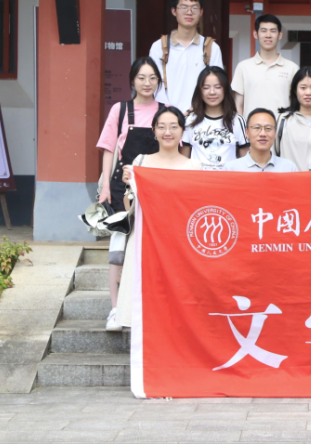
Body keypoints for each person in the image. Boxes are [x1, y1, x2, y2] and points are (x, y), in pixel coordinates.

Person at [112, 106, 202, 331]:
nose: (167, 132)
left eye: (174, 127)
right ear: (154, 131)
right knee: (143, 295)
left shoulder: (194, 166)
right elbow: (130, 207)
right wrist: (128, 185)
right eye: (161, 127)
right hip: (145, 237)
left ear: (182, 131)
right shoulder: (141, 162)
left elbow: (197, 208)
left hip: (179, 242)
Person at [95, 57, 164, 327]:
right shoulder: (120, 110)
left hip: (155, 188)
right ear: (132, 81)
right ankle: (115, 309)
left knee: (151, 248)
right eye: (141, 78)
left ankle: (148, 307)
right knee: (118, 247)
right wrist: (104, 188)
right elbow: (108, 148)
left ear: (159, 81)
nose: (147, 83)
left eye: (153, 78)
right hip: (120, 187)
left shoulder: (166, 112)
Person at [149, 0, 224, 113]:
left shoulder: (211, 48)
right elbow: (154, 83)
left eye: (194, 8)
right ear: (174, 11)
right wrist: (168, 112)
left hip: (200, 115)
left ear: (201, 12)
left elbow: (217, 84)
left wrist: (197, 110)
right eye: (184, 7)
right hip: (167, 116)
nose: (189, 12)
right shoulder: (159, 47)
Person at [231, 14, 299, 120]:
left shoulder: (292, 68)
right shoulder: (243, 67)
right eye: (263, 31)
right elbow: (238, 104)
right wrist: (241, 127)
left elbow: (297, 104)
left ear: (280, 35)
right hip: (252, 128)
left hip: (283, 128)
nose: (268, 35)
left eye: (273, 31)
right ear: (255, 34)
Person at [182, 66, 249, 170]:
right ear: (199, 91)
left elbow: (244, 162)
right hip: (197, 179)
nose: (212, 92)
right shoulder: (190, 120)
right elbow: (183, 160)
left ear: (225, 89)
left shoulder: (238, 120)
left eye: (218, 87)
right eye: (206, 87)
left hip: (228, 179)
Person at [226, 109, 300, 172]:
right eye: (257, 128)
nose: (263, 134)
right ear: (247, 133)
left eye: (268, 128)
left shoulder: (289, 168)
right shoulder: (231, 169)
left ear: (275, 133)